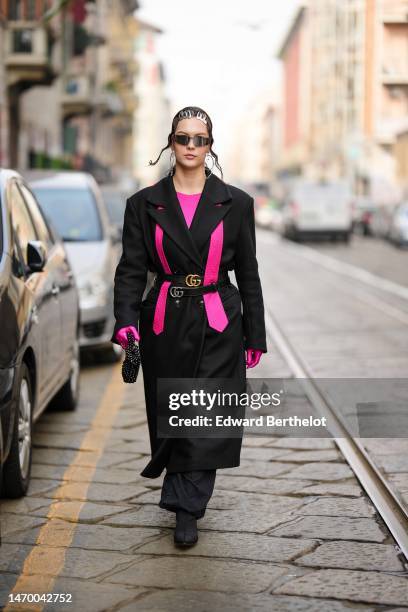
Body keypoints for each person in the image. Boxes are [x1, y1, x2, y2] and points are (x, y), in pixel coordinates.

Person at [111, 106, 267, 546]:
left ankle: (186, 508)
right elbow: (130, 270)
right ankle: (182, 494)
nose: (192, 147)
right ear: (171, 142)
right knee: (174, 412)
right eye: (184, 138)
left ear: (211, 146)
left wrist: (255, 334)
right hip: (165, 319)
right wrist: (126, 321)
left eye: (200, 139)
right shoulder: (142, 204)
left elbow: (249, 273)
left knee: (206, 414)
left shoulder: (237, 203)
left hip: (220, 320)